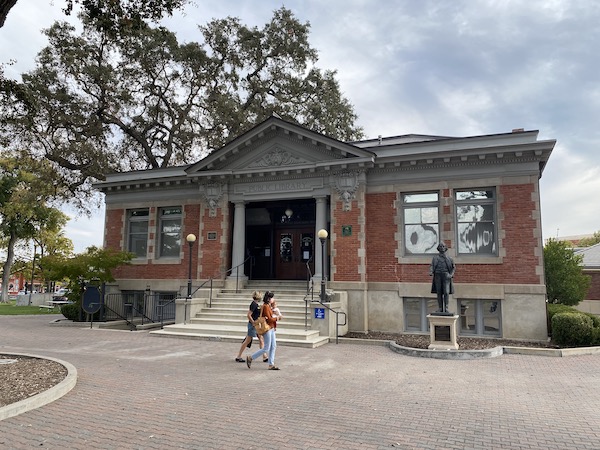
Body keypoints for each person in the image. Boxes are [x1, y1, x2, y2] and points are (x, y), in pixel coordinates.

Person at [246, 291, 279, 370]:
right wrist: (277, 318)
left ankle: (271, 364)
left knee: (273, 346)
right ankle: (251, 357)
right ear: (268, 299)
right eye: (272, 298)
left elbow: (270, 316)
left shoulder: (268, 306)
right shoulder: (265, 306)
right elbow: (269, 319)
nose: (273, 299)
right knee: (266, 347)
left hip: (270, 328)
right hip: (267, 328)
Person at [235, 291, 268, 363]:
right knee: (248, 340)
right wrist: (253, 322)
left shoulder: (256, 304)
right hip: (253, 325)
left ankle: (264, 356)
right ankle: (238, 356)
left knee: (261, 339)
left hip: (256, 324)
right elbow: (249, 315)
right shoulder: (254, 304)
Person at [429, 242, 456, 313]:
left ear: (445, 248)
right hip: (437, 275)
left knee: (446, 292)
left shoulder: (449, 258)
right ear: (438, 248)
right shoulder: (435, 258)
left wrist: (451, 275)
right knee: (439, 292)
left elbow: (453, 268)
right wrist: (431, 271)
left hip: (446, 276)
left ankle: (446, 307)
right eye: (440, 246)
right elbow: (432, 266)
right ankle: (440, 308)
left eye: (443, 246)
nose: (442, 248)